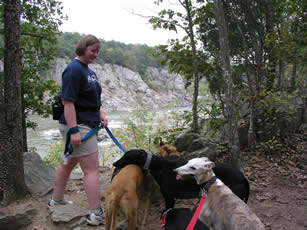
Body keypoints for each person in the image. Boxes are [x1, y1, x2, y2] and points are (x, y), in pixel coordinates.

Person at [48, 35, 108, 226]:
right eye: (92, 50)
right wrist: (74, 131)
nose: (95, 54)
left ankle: (56, 200)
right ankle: (96, 213)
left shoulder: (88, 71)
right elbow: (68, 102)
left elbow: (94, 98)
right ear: (83, 48)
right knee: (91, 170)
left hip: (87, 123)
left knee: (68, 163)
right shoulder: (73, 70)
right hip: (79, 125)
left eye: (98, 51)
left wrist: (101, 113)